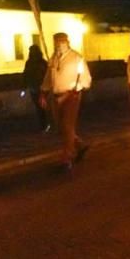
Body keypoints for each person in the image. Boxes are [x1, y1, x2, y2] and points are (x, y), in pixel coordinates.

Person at [40, 32, 92, 171]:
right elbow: (48, 78)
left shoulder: (76, 58)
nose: (59, 44)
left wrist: (78, 87)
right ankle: (80, 145)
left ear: (67, 42)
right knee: (61, 127)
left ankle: (67, 158)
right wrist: (43, 93)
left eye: (62, 41)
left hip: (71, 96)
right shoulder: (53, 58)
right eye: (57, 42)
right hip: (56, 97)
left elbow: (86, 80)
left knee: (67, 125)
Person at [22, 44, 49, 130]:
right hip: (34, 88)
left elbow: (46, 75)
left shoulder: (41, 62)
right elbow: (26, 74)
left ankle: (45, 124)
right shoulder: (30, 62)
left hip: (41, 88)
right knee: (39, 107)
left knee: (42, 107)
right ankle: (43, 124)